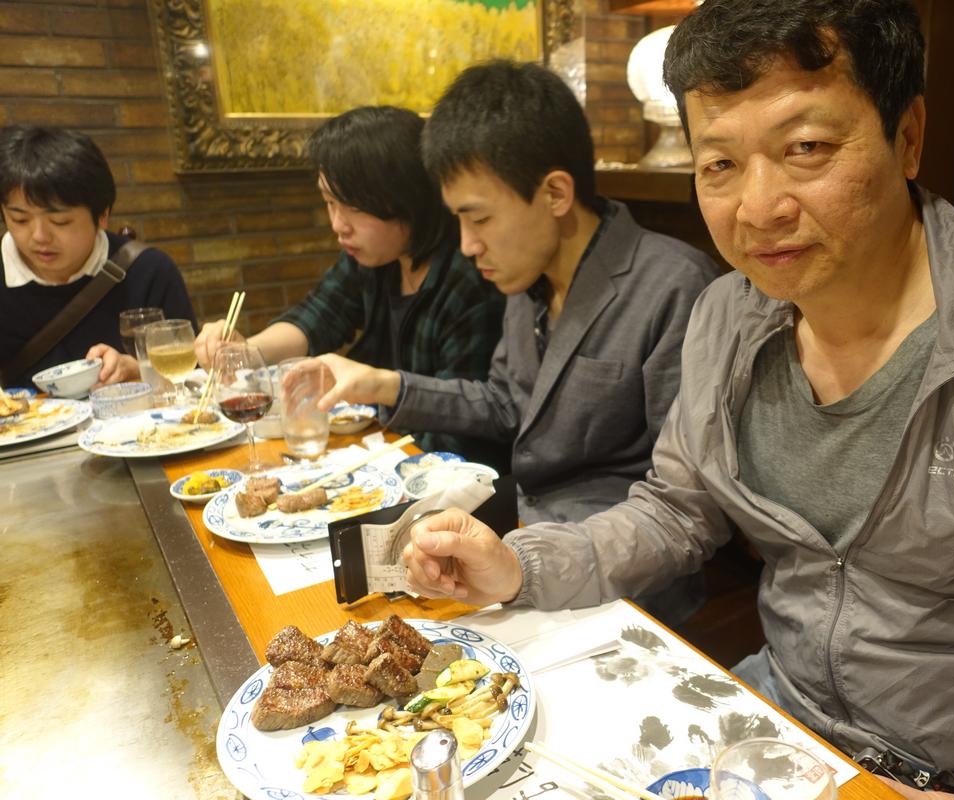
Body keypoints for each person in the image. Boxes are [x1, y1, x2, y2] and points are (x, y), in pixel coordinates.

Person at [397, 2, 954, 798]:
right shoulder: (727, 313)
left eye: (806, 147)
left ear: (908, 136)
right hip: (779, 726)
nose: (758, 208)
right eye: (719, 165)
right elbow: (679, 509)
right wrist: (519, 566)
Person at [312, 61, 721, 625]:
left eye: (478, 218)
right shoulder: (528, 277)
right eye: (458, 220)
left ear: (554, 192)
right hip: (524, 536)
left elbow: (682, 509)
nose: (468, 245)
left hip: (623, 580)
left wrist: (521, 562)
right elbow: (508, 402)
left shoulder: (673, 286)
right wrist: (388, 384)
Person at [192, 106, 507, 465]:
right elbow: (317, 316)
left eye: (353, 208)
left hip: (447, 476)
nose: (338, 225)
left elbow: (461, 431)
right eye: (329, 202)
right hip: (384, 449)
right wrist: (245, 352)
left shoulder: (468, 281)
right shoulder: (374, 260)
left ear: (407, 199)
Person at [0, 125, 195, 387]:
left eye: (60, 221)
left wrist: (139, 369)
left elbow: (194, 375)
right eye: (20, 219)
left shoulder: (147, 271)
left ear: (102, 215)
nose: (39, 237)